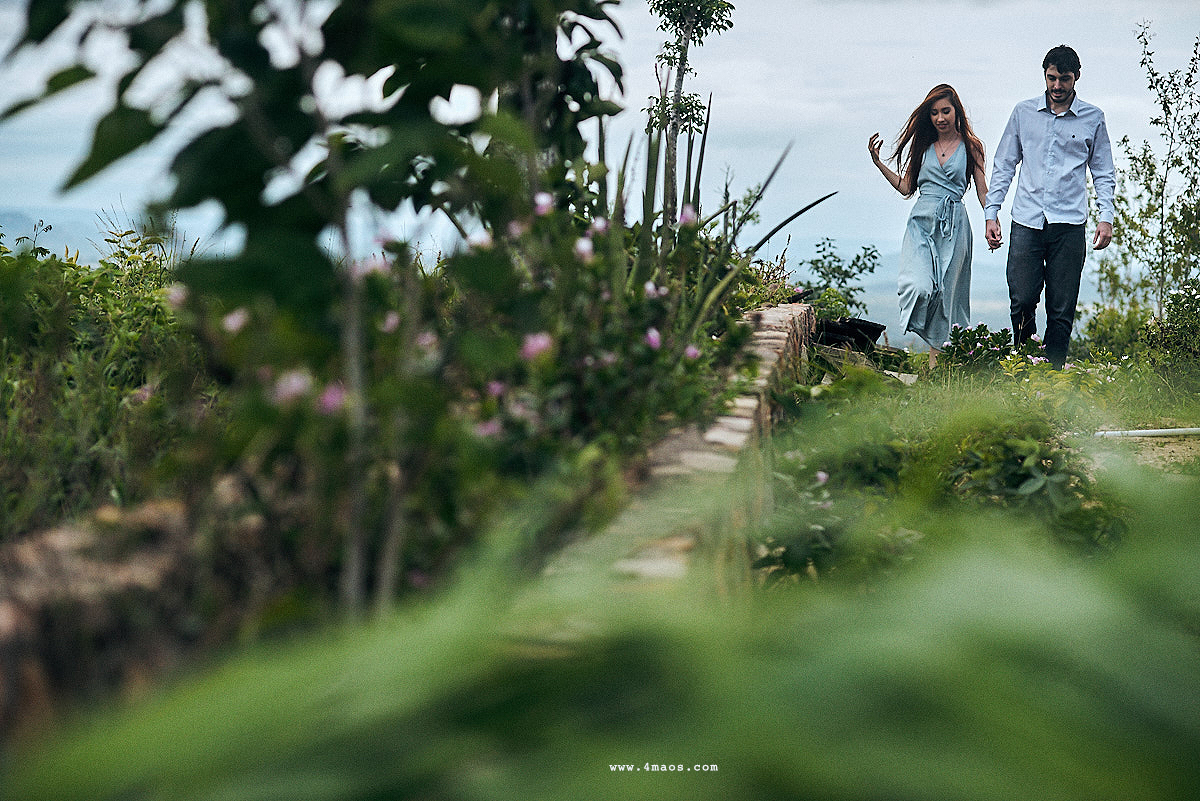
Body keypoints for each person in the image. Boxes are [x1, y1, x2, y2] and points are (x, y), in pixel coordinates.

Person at [984, 44, 1115, 369]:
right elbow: (1004, 163)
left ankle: (1054, 378)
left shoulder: (1093, 117)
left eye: (1064, 79)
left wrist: (1106, 217)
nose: (1057, 86)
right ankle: (1025, 369)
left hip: (1069, 226)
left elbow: (1103, 170)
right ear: (1045, 75)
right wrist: (992, 211)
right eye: (1052, 78)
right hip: (1027, 221)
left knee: (1061, 308)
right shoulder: (1023, 112)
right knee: (1023, 298)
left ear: (1076, 78)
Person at [869, 84, 990, 355]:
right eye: (934, 113)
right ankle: (938, 360)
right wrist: (879, 164)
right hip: (921, 224)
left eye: (945, 111)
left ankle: (939, 371)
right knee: (920, 286)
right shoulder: (923, 146)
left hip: (954, 226)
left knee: (948, 297)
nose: (940, 118)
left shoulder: (972, 146)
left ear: (957, 111)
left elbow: (983, 190)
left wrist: (990, 220)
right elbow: (906, 187)